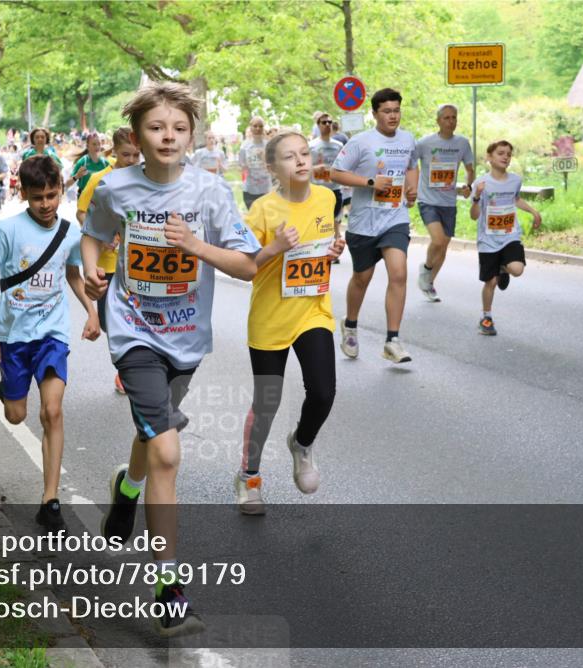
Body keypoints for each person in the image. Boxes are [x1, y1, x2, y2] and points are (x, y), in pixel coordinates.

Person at [82, 82, 259, 637]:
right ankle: (168, 590)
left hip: (186, 338)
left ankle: (126, 491)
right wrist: (91, 269)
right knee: (167, 450)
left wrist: (194, 247)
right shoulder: (114, 187)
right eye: (156, 128)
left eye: (179, 128)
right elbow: (93, 235)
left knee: (151, 436)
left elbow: (247, 266)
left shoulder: (210, 192)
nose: (168, 137)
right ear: (136, 135)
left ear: (192, 136)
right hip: (132, 332)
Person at [0, 155, 100, 532]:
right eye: (38, 197)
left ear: (61, 190)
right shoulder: (8, 231)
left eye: (52, 195)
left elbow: (74, 276)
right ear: (24, 194)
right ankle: (9, 389)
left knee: (53, 411)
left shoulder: (69, 233)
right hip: (13, 337)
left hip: (52, 334)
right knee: (17, 415)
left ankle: (50, 500)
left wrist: (91, 312)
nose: (46, 204)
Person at [237, 131, 344, 514]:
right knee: (266, 403)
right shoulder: (262, 211)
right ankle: (249, 476)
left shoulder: (327, 197)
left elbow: (326, 243)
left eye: (304, 153)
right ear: (271, 169)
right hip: (270, 317)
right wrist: (275, 247)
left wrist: (334, 249)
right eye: (288, 157)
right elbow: (245, 267)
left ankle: (301, 443)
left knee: (323, 392)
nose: (300, 161)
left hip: (313, 311)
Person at [331, 88, 418, 363]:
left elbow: (411, 165)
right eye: (387, 111)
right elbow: (336, 172)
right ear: (375, 113)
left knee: (399, 273)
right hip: (363, 221)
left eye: (397, 110)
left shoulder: (407, 139)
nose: (393, 116)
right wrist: (370, 182)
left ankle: (392, 340)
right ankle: (351, 323)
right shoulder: (361, 141)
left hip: (395, 218)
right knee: (362, 278)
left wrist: (412, 187)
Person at [75, 126, 141, 395]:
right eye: (127, 155)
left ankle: (128, 371)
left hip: (134, 268)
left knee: (130, 319)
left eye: (138, 155)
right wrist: (101, 238)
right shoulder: (99, 180)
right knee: (107, 321)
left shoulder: (144, 180)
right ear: (114, 152)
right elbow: (81, 214)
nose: (133, 161)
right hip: (106, 265)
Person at [469, 140, 541, 335]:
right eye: (500, 153)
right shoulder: (481, 183)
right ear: (489, 158)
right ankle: (486, 317)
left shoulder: (515, 180)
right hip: (488, 240)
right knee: (490, 282)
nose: (505, 157)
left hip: (510, 235)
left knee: (517, 269)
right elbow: (474, 215)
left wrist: (533, 212)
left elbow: (516, 199)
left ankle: (504, 268)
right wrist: (477, 197)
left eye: (508, 154)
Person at [415, 104, 475, 302]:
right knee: (438, 240)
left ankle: (429, 282)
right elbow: (409, 164)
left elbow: (470, 169)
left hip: (449, 202)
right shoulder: (424, 143)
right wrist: (409, 187)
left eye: (454, 117)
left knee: (444, 245)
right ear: (438, 121)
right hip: (428, 200)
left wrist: (468, 185)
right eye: (447, 118)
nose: (451, 121)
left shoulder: (463, 143)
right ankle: (426, 269)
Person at [309, 112, 345, 236]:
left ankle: (333, 250)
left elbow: (343, 165)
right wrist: (316, 168)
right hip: (318, 190)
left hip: (335, 189)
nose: (327, 125)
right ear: (318, 125)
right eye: (324, 122)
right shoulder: (311, 145)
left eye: (330, 122)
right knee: (321, 223)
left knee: (334, 221)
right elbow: (305, 167)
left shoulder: (338, 145)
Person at [239, 116, 270, 210]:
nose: (258, 129)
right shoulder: (244, 146)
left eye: (260, 126)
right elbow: (241, 165)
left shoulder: (268, 145)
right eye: (255, 126)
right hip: (250, 189)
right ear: (250, 127)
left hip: (266, 189)